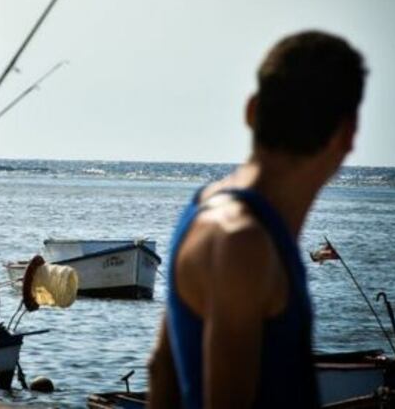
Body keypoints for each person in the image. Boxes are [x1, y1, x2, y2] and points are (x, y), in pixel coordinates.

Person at [147, 31, 367, 409]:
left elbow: (161, 371)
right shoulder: (243, 245)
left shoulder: (205, 206)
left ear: (251, 110)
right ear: (347, 136)